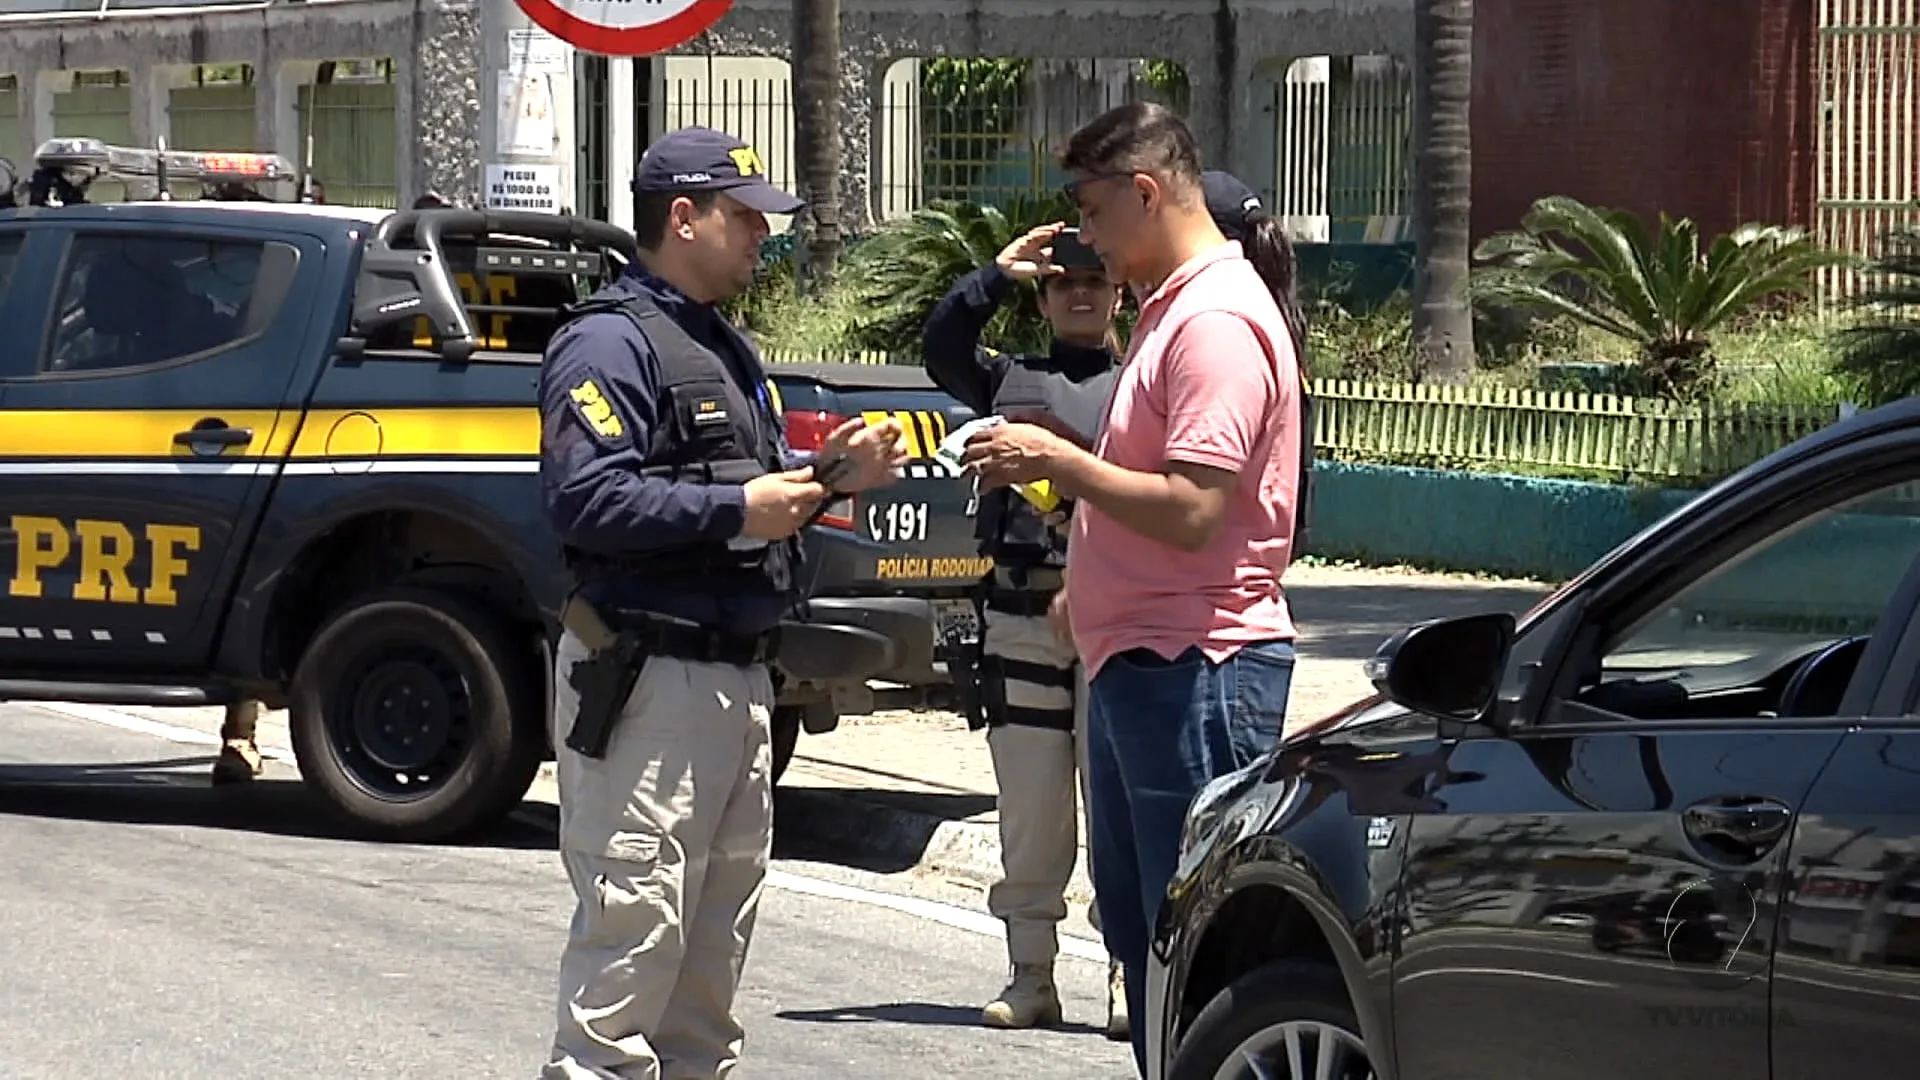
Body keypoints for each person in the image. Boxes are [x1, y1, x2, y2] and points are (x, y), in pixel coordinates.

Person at [536, 126, 908, 1080]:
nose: (761, 237)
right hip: (647, 680)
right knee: (632, 944)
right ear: (683, 217)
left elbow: (748, 488)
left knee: (708, 970)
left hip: (734, 680)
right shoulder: (609, 340)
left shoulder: (720, 344)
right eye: (744, 218)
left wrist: (827, 477)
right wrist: (739, 508)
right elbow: (588, 499)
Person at [962, 102, 1307, 1075]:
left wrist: (1053, 461)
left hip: (1196, 668)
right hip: (1142, 661)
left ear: (1146, 193)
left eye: (1093, 209)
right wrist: (1089, 581)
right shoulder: (1172, 313)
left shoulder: (1216, 322)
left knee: (1195, 939)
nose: (1088, 238)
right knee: (1148, 931)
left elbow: (1197, 508)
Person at [921, 223, 1128, 1038]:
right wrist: (993, 277)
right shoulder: (1010, 381)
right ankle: (1031, 974)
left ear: (1118, 293)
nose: (1080, 292)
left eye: (1095, 280)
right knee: (1033, 811)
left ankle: (1125, 973)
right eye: (1063, 281)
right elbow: (943, 346)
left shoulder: (1143, 383)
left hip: (1114, 620)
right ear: (1043, 298)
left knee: (1114, 807)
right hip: (1018, 617)